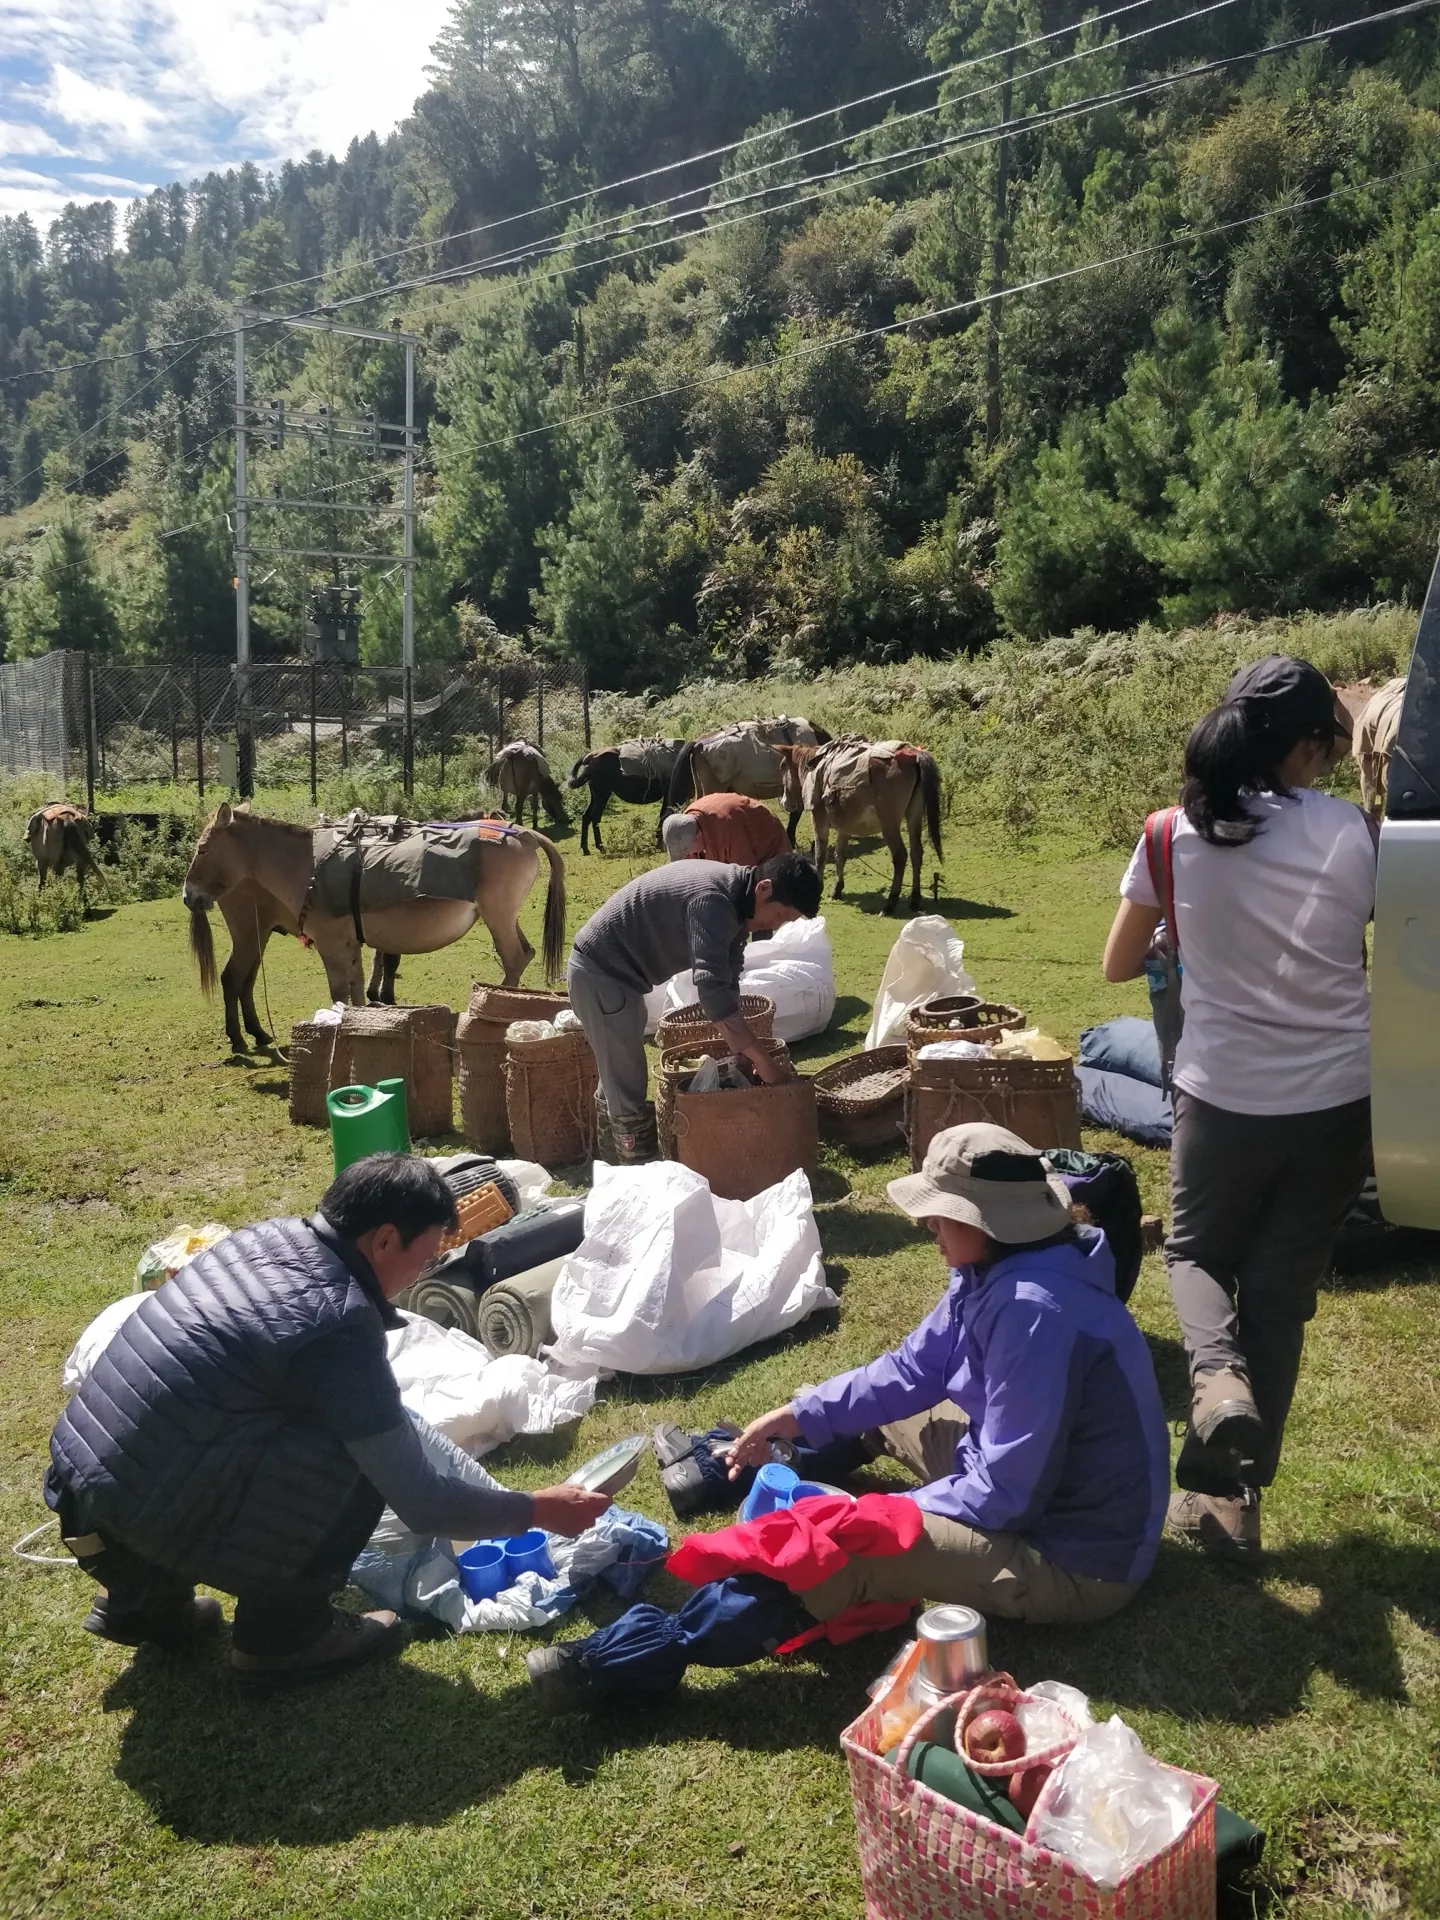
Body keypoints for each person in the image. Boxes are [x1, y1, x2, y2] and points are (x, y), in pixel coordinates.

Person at [525, 1123, 1169, 1713]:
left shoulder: (1035, 1309)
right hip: (1039, 1495)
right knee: (876, 1415)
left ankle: (632, 1656)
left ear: (989, 1220)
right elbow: (913, 1373)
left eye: (942, 1214)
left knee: (845, 1548)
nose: (929, 1227)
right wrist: (797, 1415)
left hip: (1075, 1563)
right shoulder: (997, 1266)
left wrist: (888, 1517)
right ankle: (732, 1466)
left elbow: (1007, 1492)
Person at [46, 1155, 611, 1688]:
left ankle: (147, 1601)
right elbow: (420, 1501)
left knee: (219, 1430)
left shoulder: (262, 1239)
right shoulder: (335, 1322)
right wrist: (537, 1509)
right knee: (359, 1453)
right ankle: (281, 1640)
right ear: (385, 1239)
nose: (426, 1269)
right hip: (146, 1508)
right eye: (428, 1255)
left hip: (81, 1501)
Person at [1103, 655, 1376, 1564]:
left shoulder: (1168, 834)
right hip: (1340, 1100)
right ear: (1305, 748)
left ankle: (1215, 1382)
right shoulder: (1351, 831)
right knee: (1279, 1294)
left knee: (1193, 1251)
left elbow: (1117, 962)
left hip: (1223, 1096)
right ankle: (1232, 1504)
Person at [567, 850, 822, 1161]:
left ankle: (611, 1165)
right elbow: (711, 991)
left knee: (617, 1077)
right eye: (781, 916)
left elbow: (728, 979)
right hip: (601, 974)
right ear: (764, 889)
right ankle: (636, 1176)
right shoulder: (714, 901)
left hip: (619, 978)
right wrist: (760, 1057)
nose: (777, 925)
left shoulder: (737, 902)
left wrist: (743, 1049)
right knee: (626, 1083)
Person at [661, 792, 792, 867]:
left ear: (698, 835)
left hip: (769, 848)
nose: (688, 856)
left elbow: (746, 874)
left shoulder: (728, 829)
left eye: (687, 852)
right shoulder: (688, 821)